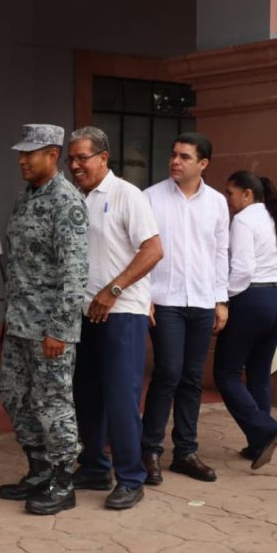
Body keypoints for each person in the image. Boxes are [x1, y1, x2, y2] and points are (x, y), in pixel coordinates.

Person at [66, 127, 163, 510]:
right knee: (87, 395)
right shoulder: (76, 198)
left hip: (121, 312)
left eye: (82, 158)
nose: (75, 165)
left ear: (103, 158)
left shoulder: (127, 195)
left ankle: (131, 477)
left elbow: (153, 250)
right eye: (70, 159)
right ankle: (94, 466)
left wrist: (114, 290)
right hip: (85, 313)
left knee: (121, 399)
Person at [0, 124, 88, 516]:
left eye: (29, 153)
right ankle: (38, 469)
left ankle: (63, 481)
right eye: (20, 152)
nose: (21, 159)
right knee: (14, 396)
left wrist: (60, 330)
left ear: (52, 155)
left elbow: (74, 273)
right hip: (18, 321)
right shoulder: (24, 199)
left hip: (49, 328)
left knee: (53, 404)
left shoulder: (65, 202)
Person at [141, 132, 229, 485]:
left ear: (203, 163)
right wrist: (144, 295)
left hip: (203, 300)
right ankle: (149, 450)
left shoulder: (218, 203)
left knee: (192, 378)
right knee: (167, 373)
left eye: (185, 157)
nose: (175, 161)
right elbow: (141, 249)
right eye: (173, 154)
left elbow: (221, 251)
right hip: (165, 300)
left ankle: (186, 452)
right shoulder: (150, 198)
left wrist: (221, 298)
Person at [214, 171, 277, 469]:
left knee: (226, 373)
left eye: (230, 193)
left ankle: (266, 429)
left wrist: (223, 297)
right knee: (259, 373)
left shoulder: (244, 220)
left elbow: (242, 269)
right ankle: (258, 442)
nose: (228, 199)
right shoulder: (276, 217)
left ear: (247, 194)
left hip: (251, 298)